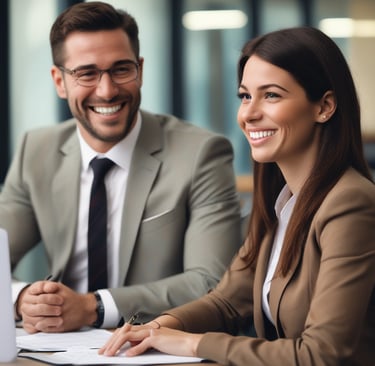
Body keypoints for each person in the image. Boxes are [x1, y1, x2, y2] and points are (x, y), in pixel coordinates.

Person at [99, 26, 375, 366]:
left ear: (325, 106)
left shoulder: (350, 204)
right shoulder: (281, 202)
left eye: (271, 95)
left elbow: (320, 354)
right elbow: (227, 301)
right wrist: (156, 328)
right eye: (245, 96)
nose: (249, 114)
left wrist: (192, 344)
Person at [1, 1, 242, 334]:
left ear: (139, 70)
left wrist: (92, 307)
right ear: (59, 82)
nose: (107, 90)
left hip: (160, 344)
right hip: (60, 346)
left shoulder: (201, 153)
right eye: (86, 73)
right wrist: (22, 297)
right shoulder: (37, 150)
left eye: (121, 69)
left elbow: (212, 281)